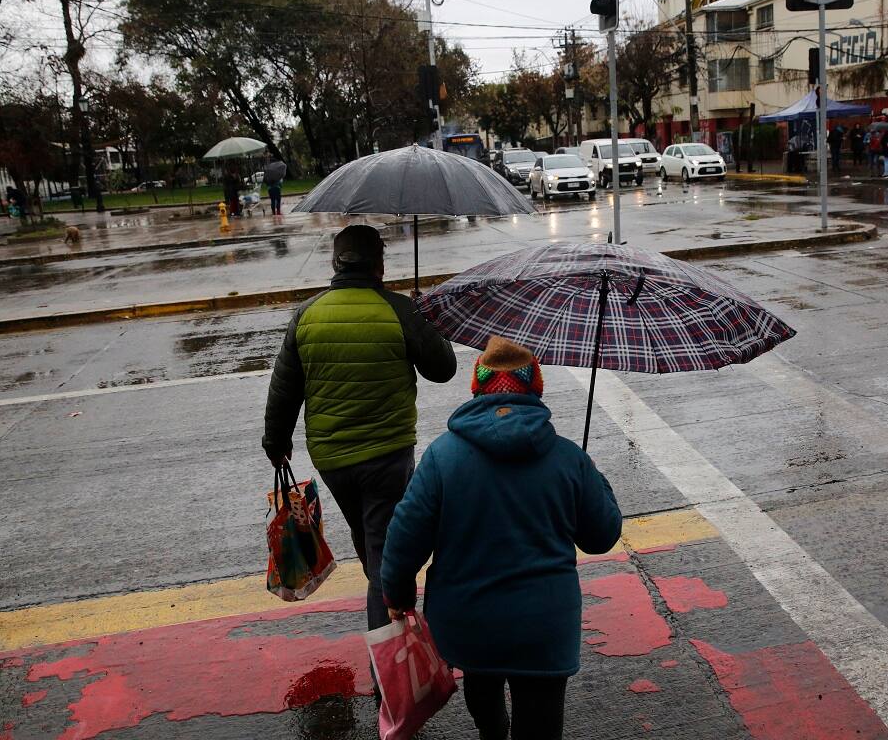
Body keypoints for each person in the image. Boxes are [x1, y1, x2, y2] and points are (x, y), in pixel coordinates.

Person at [380, 336, 623, 740]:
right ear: (535, 388)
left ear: (477, 387)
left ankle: (493, 729)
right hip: (544, 626)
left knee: (481, 675)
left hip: (467, 619)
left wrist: (398, 598)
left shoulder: (442, 456)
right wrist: (593, 476)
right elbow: (601, 536)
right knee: (541, 722)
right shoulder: (567, 458)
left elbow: (404, 537)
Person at [262, 224, 457, 632]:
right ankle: (386, 665)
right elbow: (443, 369)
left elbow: (284, 389)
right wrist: (425, 319)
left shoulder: (308, 315)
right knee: (384, 550)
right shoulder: (398, 309)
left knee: (369, 537)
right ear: (379, 265)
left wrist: (276, 442)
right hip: (387, 456)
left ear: (335, 263)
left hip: (332, 460)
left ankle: (382, 598)